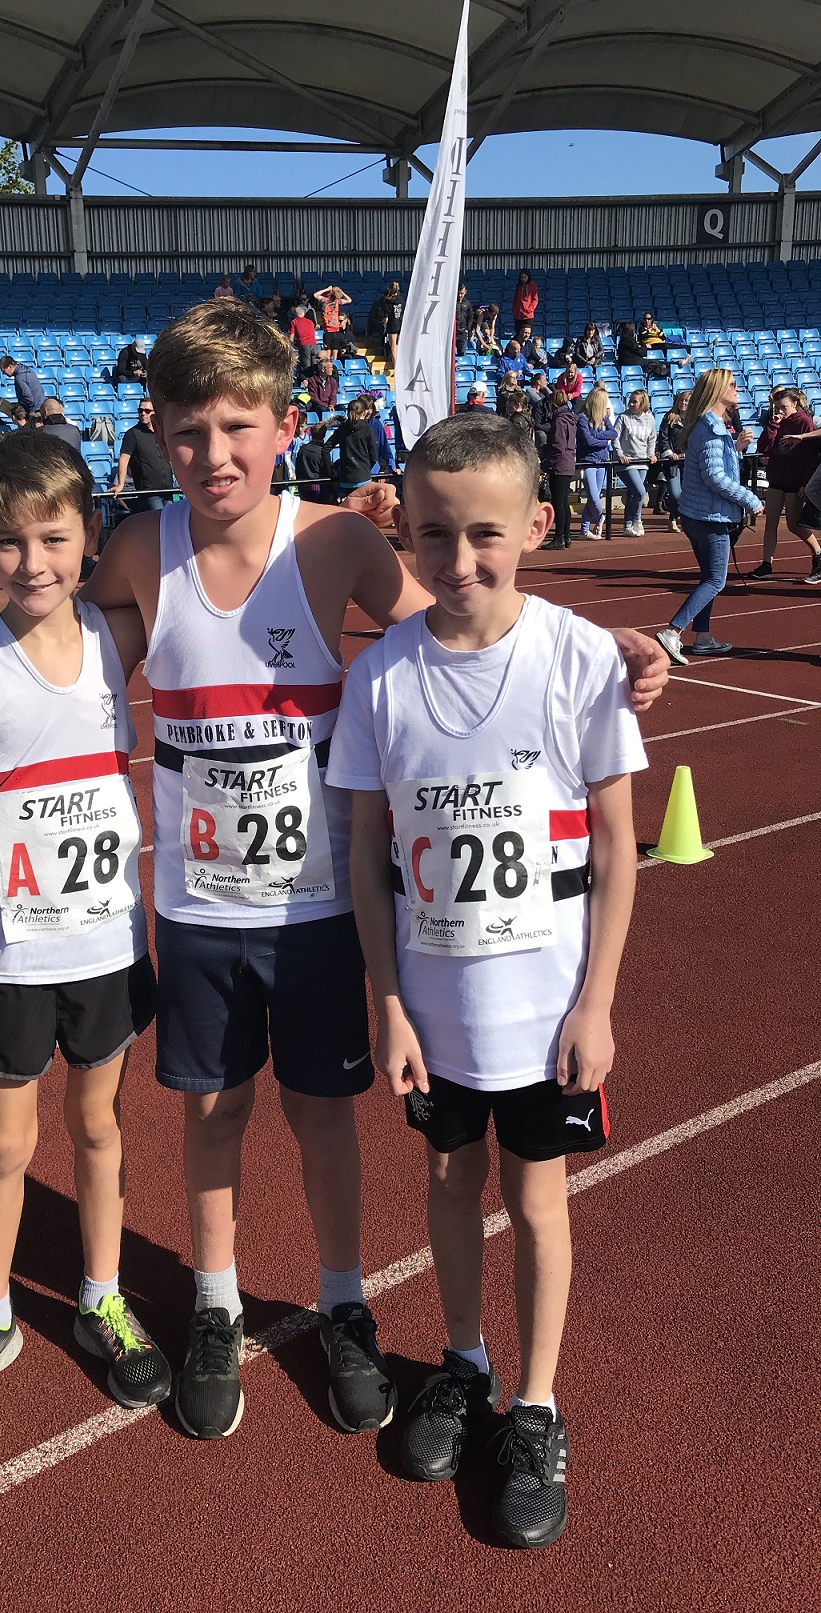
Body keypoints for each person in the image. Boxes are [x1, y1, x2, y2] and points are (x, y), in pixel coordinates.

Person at [0, 301, 671, 1443]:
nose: (213, 454)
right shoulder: (139, 550)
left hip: (320, 904)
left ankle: (344, 1302)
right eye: (188, 432)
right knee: (214, 1107)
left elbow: (464, 622)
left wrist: (612, 649)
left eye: (238, 427)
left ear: (286, 425)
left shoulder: (335, 542)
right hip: (198, 908)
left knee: (321, 1112)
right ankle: (214, 1304)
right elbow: (47, 630)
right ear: (158, 432)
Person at [329, 409, 645, 1550]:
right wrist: (389, 1001)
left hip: (547, 1012)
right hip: (437, 1006)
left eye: (484, 534)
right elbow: (368, 854)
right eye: (433, 534)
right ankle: (463, 1362)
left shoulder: (578, 657)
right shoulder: (381, 677)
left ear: (537, 525)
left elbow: (616, 846)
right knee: (450, 1180)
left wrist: (597, 1002)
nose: (457, 559)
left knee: (538, 1200)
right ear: (402, 533)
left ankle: (538, 1404)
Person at [0, 429, 169, 1436]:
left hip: (105, 945)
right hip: (7, 952)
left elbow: (211, 572)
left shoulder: (119, 638)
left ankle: (101, 1296)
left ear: (89, 534)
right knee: (7, 1141)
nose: (32, 561)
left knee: (98, 1125)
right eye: (8, 541)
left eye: (53, 538)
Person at [654, 370, 766, 665]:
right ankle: (673, 631)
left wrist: (736, 449)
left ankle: (702, 637)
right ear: (718, 390)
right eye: (732, 384)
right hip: (709, 517)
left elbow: (718, 468)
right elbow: (715, 477)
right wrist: (750, 499)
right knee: (716, 580)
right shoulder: (711, 429)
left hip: (699, 513)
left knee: (708, 578)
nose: (737, 388)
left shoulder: (710, 426)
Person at [753, 387, 820, 580]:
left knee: (793, 524)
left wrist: (805, 483)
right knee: (770, 523)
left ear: (795, 404)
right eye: (777, 407)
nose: (780, 411)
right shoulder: (776, 421)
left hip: (795, 480)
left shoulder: (804, 422)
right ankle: (767, 564)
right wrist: (773, 425)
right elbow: (764, 447)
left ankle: (818, 552)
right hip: (777, 478)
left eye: (783, 407)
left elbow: (811, 455)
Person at [111, 398, 173, 513]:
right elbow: (124, 458)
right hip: (149, 491)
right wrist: (121, 484)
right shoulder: (133, 434)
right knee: (159, 520)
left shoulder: (162, 432)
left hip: (168, 490)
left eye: (147, 411)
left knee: (170, 520)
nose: (143, 413)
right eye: (140, 410)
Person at [575, 386, 617, 540]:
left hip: (602, 460)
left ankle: (584, 530)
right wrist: (604, 441)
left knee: (595, 496)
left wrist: (598, 436)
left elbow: (613, 433)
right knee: (593, 497)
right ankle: (600, 517)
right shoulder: (582, 418)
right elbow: (588, 441)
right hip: (588, 461)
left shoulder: (603, 417)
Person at [613, 390, 657, 535]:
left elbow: (652, 439)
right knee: (640, 492)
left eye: (635, 401)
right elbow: (615, 437)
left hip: (642, 461)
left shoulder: (650, 418)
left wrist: (651, 453)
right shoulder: (623, 417)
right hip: (627, 463)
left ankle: (628, 525)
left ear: (642, 403)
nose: (631, 404)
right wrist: (620, 454)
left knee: (633, 494)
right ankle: (637, 519)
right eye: (630, 401)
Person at [541, 386, 577, 549]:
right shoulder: (570, 419)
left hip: (559, 464)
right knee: (563, 501)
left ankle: (559, 537)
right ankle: (566, 536)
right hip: (568, 462)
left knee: (558, 502)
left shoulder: (559, 421)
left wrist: (545, 465)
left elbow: (558, 446)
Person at [655, 392, 692, 532]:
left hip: (689, 461)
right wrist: (670, 453)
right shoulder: (669, 418)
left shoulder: (694, 420)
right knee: (676, 494)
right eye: (681, 400)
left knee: (687, 494)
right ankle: (675, 517)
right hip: (672, 463)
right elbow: (663, 438)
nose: (683, 403)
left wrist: (688, 453)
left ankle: (674, 519)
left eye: (687, 401)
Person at [331, 397, 379, 497]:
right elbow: (374, 456)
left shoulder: (342, 429)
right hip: (364, 477)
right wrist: (365, 468)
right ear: (363, 412)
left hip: (346, 479)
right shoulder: (367, 430)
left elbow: (325, 449)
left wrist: (330, 471)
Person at [368, 282, 405, 368]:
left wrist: (384, 324)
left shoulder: (387, 301)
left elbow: (386, 317)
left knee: (393, 347)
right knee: (400, 346)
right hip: (401, 324)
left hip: (392, 325)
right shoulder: (402, 301)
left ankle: (396, 367)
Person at [315, 284, 352, 348]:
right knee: (329, 350)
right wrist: (327, 289)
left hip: (335, 329)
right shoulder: (325, 300)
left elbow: (349, 300)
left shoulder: (337, 301)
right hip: (327, 328)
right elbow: (315, 295)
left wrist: (341, 292)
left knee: (334, 349)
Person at [288, 304, 320, 377]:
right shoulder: (310, 322)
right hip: (314, 344)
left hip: (304, 345)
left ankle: (308, 381)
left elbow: (291, 338)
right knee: (315, 366)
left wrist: (292, 346)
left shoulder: (294, 322)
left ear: (296, 314)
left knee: (306, 367)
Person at [307, 352, 339, 417]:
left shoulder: (333, 381)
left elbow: (333, 396)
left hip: (329, 405)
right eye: (330, 368)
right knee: (322, 409)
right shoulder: (312, 380)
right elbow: (314, 397)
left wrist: (331, 405)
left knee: (341, 407)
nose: (332, 369)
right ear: (323, 369)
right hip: (318, 406)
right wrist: (324, 405)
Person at [454, 284, 475, 358]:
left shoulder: (467, 303)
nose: (460, 295)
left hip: (462, 333)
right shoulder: (452, 302)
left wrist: (468, 329)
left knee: (462, 354)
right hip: (453, 333)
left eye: (461, 293)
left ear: (465, 292)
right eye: (458, 293)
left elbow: (470, 317)